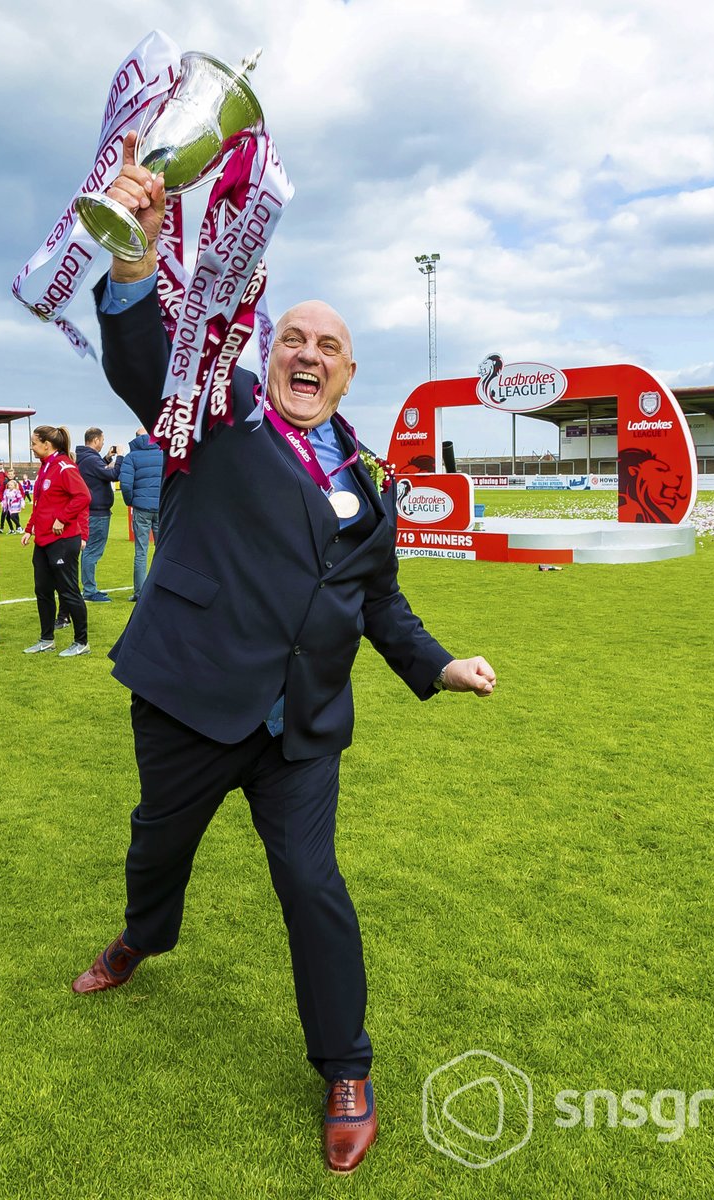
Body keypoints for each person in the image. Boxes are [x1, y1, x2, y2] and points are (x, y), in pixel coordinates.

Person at [72, 133, 497, 1176]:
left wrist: (436, 664)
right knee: (156, 850)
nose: (308, 354)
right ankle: (142, 938)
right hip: (190, 698)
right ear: (273, 351)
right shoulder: (217, 414)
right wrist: (134, 261)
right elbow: (146, 366)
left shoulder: (366, 474)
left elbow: (380, 601)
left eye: (329, 347)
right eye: (294, 337)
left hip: (300, 726)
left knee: (314, 884)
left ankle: (346, 1067)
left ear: (350, 373)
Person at [21, 425, 91, 657]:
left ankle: (81, 642)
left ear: (46, 444)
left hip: (62, 540)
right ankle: (46, 639)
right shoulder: (45, 467)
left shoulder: (64, 467)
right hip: (42, 540)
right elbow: (41, 503)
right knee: (42, 589)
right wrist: (29, 529)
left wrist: (62, 518)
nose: (31, 447)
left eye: (33, 443)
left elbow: (83, 496)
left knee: (69, 591)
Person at [75, 427, 121, 602]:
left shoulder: (85, 458)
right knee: (92, 551)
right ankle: (89, 590)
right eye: (102, 440)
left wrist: (108, 458)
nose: (103, 443)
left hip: (90, 511)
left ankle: (89, 588)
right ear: (95, 440)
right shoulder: (91, 460)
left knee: (89, 550)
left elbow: (96, 471)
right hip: (97, 512)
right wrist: (120, 457)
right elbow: (113, 474)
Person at [118, 427, 162, 601]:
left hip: (141, 508)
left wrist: (132, 502)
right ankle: (164, 590)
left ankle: (139, 592)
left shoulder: (131, 457)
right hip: (161, 507)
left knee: (141, 552)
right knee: (163, 549)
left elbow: (126, 485)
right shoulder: (162, 454)